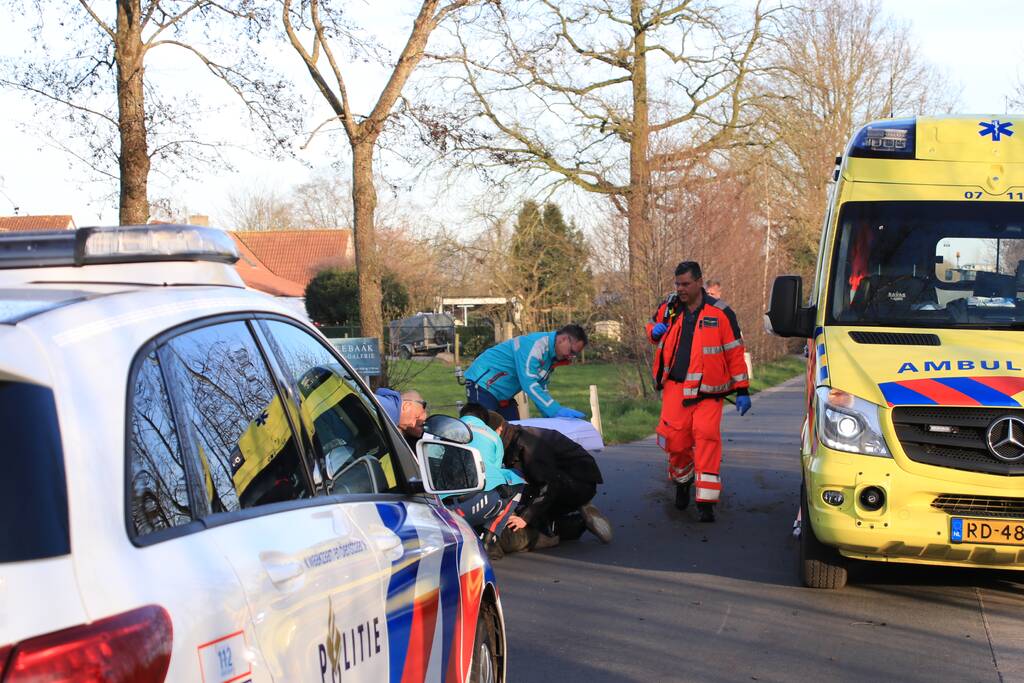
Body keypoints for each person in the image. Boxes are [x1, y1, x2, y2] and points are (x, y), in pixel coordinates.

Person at [646, 261, 750, 522]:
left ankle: (706, 502)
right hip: (675, 390)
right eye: (677, 284)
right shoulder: (670, 308)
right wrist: (653, 331)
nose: (680, 289)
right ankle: (682, 482)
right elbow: (652, 327)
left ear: (699, 282)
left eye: (685, 284)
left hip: (708, 394)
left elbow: (734, 352)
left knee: (706, 440)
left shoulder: (721, 313)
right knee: (675, 442)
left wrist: (742, 390)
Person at [484, 410, 611, 552]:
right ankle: (579, 521)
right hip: (565, 476)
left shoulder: (527, 446)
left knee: (533, 518)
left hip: (579, 482)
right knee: (536, 512)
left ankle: (574, 519)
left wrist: (525, 517)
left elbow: (548, 484)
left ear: (498, 429)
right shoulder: (512, 437)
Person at [444, 403, 530, 560]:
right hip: (476, 499)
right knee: (516, 480)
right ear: (484, 419)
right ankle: (490, 537)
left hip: (444, 503)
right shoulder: (491, 435)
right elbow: (495, 473)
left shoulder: (444, 430)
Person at [464, 324, 588, 421]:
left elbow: (540, 387)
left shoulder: (550, 356)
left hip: (503, 393)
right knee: (484, 431)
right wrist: (555, 410)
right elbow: (529, 382)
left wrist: (550, 415)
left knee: (512, 434)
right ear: (563, 339)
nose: (571, 356)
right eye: (572, 351)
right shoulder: (536, 345)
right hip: (482, 383)